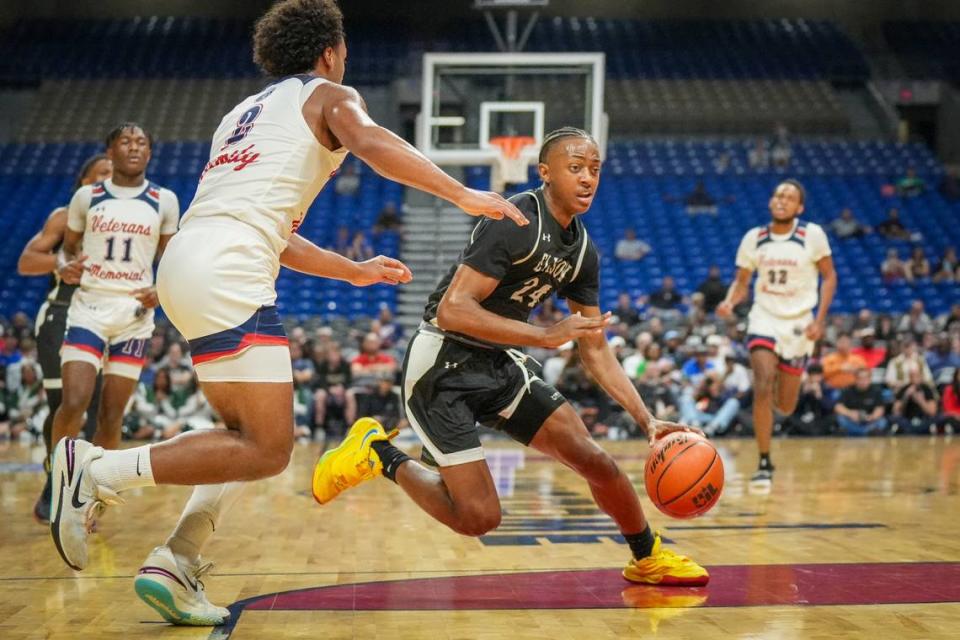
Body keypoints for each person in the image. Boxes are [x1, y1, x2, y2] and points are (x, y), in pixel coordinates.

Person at [49, 0, 526, 627]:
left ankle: (177, 558)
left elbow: (276, 231)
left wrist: (352, 269)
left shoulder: (239, 118)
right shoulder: (329, 94)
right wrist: (462, 192)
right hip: (227, 268)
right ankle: (95, 468)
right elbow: (372, 141)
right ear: (328, 51)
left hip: (190, 261)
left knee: (239, 438)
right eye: (343, 48)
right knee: (270, 448)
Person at [312, 127, 709, 586]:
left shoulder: (582, 251)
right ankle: (378, 453)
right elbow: (453, 309)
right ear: (545, 173)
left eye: (595, 170)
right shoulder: (516, 217)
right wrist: (543, 336)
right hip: (443, 366)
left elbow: (594, 346)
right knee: (478, 517)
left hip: (500, 364)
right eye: (575, 168)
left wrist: (646, 420)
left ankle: (647, 557)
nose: (587, 179)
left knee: (595, 461)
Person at [717, 179, 836, 486]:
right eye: (778, 194)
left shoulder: (812, 235)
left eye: (790, 196)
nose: (782, 199)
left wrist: (820, 320)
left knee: (785, 405)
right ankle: (764, 462)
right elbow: (742, 282)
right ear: (771, 202)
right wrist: (730, 301)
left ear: (800, 207)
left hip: (797, 324)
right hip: (764, 319)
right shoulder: (754, 238)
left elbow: (830, 276)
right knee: (762, 383)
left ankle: (773, 430)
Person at [17, 153, 113, 523]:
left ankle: (76, 486)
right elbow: (26, 261)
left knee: (95, 411)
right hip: (62, 314)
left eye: (112, 174)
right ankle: (56, 488)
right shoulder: (64, 217)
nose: (107, 179)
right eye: (99, 174)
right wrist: (60, 263)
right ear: (82, 182)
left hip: (105, 319)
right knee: (68, 403)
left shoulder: (129, 221)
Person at [835, 368, 887, 436]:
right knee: (840, 419)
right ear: (856, 379)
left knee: (882, 421)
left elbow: (880, 408)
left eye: (866, 379)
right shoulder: (847, 390)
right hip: (852, 420)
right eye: (860, 379)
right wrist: (850, 414)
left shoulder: (876, 391)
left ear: (870, 379)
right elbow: (838, 407)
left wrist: (872, 417)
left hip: (869, 421)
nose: (863, 381)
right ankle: (862, 432)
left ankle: (863, 432)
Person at [891, 368, 939, 435]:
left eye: (917, 376)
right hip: (907, 421)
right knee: (894, 419)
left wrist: (921, 401)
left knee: (936, 419)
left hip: (924, 420)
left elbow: (932, 412)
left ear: (921, 377)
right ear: (909, 377)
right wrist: (905, 397)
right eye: (912, 376)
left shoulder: (926, 389)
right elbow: (896, 412)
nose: (915, 379)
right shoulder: (904, 389)